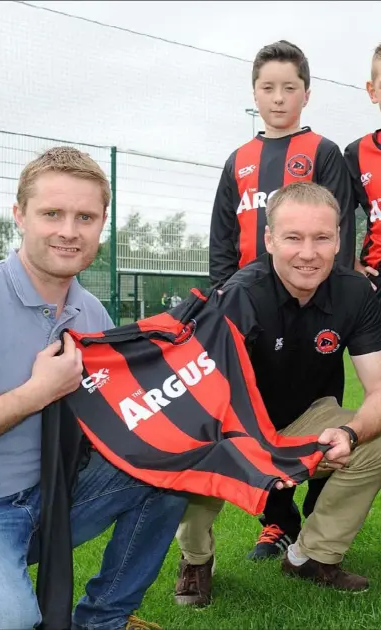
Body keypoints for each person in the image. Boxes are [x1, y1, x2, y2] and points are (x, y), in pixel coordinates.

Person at [0, 147, 187, 630]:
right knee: (0, 619)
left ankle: (102, 620)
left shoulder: (92, 316)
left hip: (44, 499)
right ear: (20, 216)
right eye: (52, 214)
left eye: (85, 216)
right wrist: (35, 392)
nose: (69, 230)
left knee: (174, 462)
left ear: (101, 224)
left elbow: (109, 425)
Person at [175, 181, 381, 607]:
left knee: (377, 442)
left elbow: (380, 389)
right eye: (293, 237)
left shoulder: (356, 292)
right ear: (268, 239)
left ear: (340, 238)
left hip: (303, 419)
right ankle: (196, 558)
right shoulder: (239, 296)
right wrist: (253, 451)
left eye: (322, 237)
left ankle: (311, 556)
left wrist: (351, 432)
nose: (308, 253)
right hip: (230, 425)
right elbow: (207, 400)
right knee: (197, 468)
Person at [208, 39, 357, 560]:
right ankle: (277, 521)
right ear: (254, 93)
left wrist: (332, 295)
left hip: (316, 308)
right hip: (254, 311)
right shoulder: (239, 160)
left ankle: (318, 514)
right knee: (258, 411)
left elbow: (339, 230)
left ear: (306, 94)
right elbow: (222, 240)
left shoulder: (322, 153)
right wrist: (222, 300)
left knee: (324, 409)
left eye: (288, 88)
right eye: (267, 88)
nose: (278, 98)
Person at [344, 43, 381, 298]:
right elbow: (338, 216)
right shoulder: (357, 153)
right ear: (373, 91)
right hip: (377, 277)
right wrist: (351, 265)